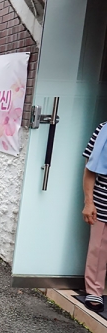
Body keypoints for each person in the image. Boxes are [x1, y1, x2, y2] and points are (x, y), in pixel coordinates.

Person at [82, 121, 107, 312]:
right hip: (103, 200)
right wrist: (89, 201)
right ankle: (95, 290)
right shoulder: (103, 129)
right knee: (98, 249)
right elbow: (90, 167)